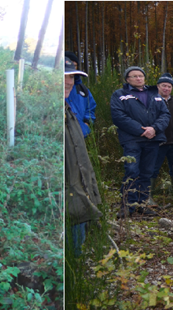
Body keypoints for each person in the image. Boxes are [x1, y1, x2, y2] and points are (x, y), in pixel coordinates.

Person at [110, 66, 171, 218]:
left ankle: (142, 205)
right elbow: (119, 117)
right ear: (127, 79)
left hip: (153, 139)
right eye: (134, 76)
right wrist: (141, 130)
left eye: (141, 76)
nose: (138, 78)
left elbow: (165, 114)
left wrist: (154, 129)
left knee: (147, 173)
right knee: (132, 171)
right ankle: (128, 206)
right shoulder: (120, 95)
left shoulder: (154, 94)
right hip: (132, 139)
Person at [64, 57, 102, 255]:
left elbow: (90, 110)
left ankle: (77, 253)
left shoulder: (79, 95)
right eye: (63, 76)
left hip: (80, 144)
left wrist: (86, 126)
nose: (68, 81)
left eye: (71, 76)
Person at [149, 73, 173, 202]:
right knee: (153, 168)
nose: (166, 88)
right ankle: (148, 196)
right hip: (158, 142)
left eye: (169, 86)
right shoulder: (151, 101)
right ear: (158, 86)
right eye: (163, 86)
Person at [64, 51, 97, 138]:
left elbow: (91, 108)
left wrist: (86, 125)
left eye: (75, 66)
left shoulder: (82, 89)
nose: (68, 81)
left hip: (80, 138)